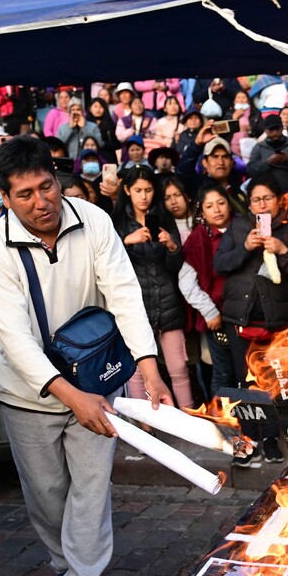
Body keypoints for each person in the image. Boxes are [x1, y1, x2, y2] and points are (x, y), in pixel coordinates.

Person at [0, 136, 172, 576]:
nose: (41, 202)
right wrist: (70, 397)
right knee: (47, 496)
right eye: (25, 194)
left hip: (94, 378)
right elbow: (15, 340)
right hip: (26, 394)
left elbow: (124, 295)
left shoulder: (94, 219)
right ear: (3, 196)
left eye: (48, 186)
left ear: (57, 178)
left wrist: (149, 366)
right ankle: (67, 570)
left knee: (91, 491)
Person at [214, 174, 288, 465]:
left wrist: (283, 251)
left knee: (276, 382)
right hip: (239, 319)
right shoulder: (239, 226)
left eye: (267, 198)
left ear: (279, 200)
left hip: (277, 321)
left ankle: (271, 439)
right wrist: (244, 247)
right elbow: (220, 264)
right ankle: (249, 437)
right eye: (256, 199)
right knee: (246, 382)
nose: (262, 204)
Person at [112, 164, 193, 411]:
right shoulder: (117, 223)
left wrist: (170, 245)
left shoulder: (164, 219)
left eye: (148, 190)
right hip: (135, 305)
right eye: (138, 190)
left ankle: (189, 418)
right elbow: (106, 264)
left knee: (178, 367)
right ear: (126, 190)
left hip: (167, 300)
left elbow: (176, 265)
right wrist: (126, 242)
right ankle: (145, 426)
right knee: (138, 371)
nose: (144, 196)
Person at [183, 182, 236, 396]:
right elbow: (186, 283)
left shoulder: (243, 229)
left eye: (221, 203)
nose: (217, 210)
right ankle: (224, 426)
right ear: (202, 211)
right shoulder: (198, 238)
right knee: (223, 374)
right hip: (219, 317)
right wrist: (209, 311)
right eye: (210, 206)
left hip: (248, 316)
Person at [176, 127, 247, 216]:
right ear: (204, 163)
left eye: (225, 157)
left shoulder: (238, 190)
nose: (220, 162)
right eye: (215, 157)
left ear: (232, 162)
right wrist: (196, 145)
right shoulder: (198, 186)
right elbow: (182, 172)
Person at [246, 113, 288, 194]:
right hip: (268, 192)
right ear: (265, 130)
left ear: (282, 128)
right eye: (271, 130)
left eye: (277, 129)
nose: (275, 132)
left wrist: (287, 159)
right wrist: (268, 163)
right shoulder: (259, 147)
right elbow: (251, 169)